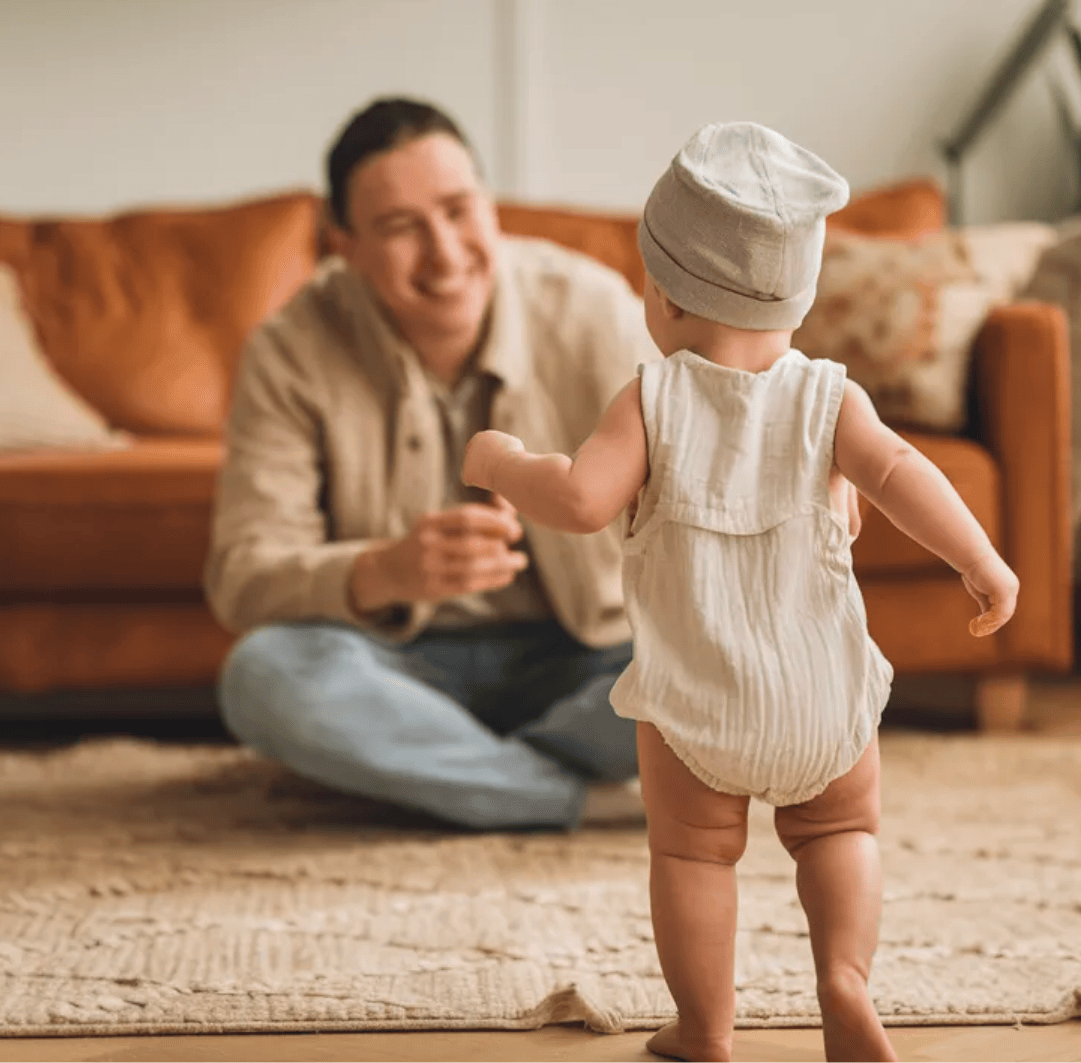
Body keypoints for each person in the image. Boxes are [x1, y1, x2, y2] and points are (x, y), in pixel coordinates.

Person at [462, 122, 1021, 1063]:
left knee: (691, 856)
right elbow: (901, 470)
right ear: (796, 302)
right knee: (842, 829)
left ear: (667, 299)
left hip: (696, 696)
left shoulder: (650, 400)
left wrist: (506, 464)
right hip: (821, 692)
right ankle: (843, 979)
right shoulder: (831, 400)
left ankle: (708, 1031)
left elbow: (580, 498)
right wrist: (982, 560)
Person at [204, 97, 659, 831]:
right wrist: (386, 570)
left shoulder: (593, 309)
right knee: (262, 676)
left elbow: (708, 491)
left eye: (458, 210)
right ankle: (572, 795)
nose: (445, 253)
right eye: (400, 228)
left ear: (490, 206)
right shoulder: (287, 351)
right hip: (393, 664)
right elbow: (243, 573)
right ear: (342, 245)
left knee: (710, 661)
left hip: (589, 659)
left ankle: (445, 774)